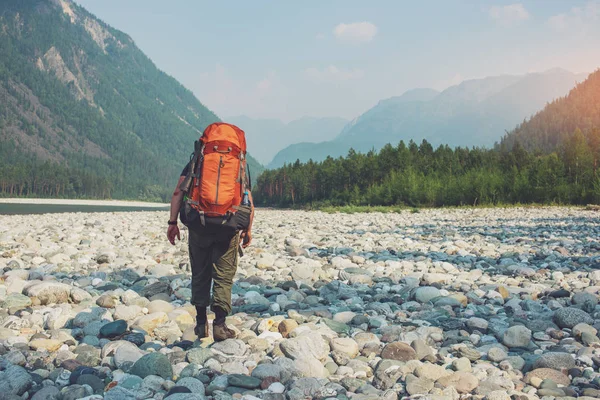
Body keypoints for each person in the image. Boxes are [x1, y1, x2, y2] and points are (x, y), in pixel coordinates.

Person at [166, 163, 254, 341]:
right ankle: (220, 325)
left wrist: (173, 222)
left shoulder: (198, 159)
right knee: (223, 275)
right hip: (228, 225)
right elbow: (247, 197)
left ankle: (200, 324)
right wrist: (248, 228)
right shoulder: (238, 162)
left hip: (200, 224)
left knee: (199, 272)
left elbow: (178, 192)